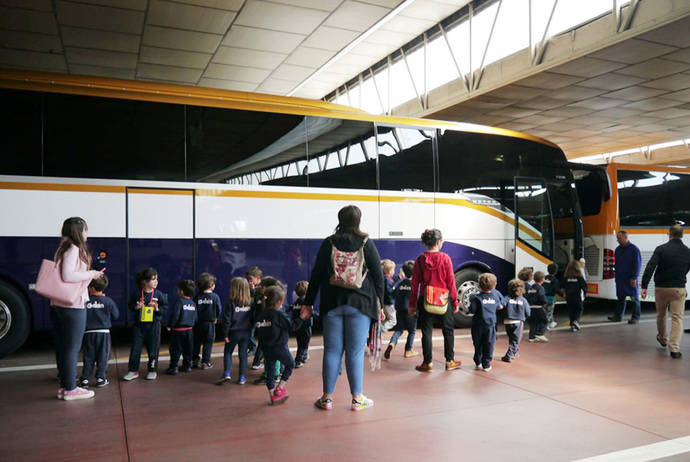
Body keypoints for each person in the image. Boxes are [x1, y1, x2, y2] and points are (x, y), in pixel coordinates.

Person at [301, 205, 384, 411]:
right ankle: (357, 399)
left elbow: (317, 275)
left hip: (332, 303)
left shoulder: (329, 242)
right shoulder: (366, 242)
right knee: (355, 353)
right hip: (360, 304)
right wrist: (380, 302)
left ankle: (327, 398)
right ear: (359, 220)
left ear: (340, 219)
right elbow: (378, 275)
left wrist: (308, 303)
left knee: (332, 351)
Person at [51, 217, 105, 400]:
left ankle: (65, 386)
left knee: (63, 346)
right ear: (78, 230)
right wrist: (92, 273)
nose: (86, 233)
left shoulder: (62, 246)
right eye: (85, 229)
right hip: (72, 304)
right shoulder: (73, 248)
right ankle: (72, 389)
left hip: (59, 303)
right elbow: (68, 275)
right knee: (72, 348)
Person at [408, 229, 461, 373]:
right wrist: (455, 301)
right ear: (438, 242)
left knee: (426, 332)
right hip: (444, 300)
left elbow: (415, 285)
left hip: (426, 299)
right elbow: (451, 282)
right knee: (448, 331)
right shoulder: (445, 258)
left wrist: (412, 304)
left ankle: (427, 363)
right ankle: (449, 361)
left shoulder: (419, 260)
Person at [641, 224, 690, 359]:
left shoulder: (661, 249)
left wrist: (644, 285)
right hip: (678, 288)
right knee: (677, 318)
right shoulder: (687, 251)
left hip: (661, 288)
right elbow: (687, 268)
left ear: (669, 234)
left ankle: (663, 339)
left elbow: (651, 266)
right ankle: (674, 349)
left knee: (661, 315)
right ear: (682, 235)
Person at [256, 285, 302, 405]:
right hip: (280, 347)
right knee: (290, 364)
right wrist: (302, 318)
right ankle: (280, 388)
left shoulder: (261, 315)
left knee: (270, 372)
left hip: (266, 348)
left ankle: (272, 396)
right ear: (279, 302)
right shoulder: (278, 314)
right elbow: (292, 326)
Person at [124, 267, 168, 381]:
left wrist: (157, 308)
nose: (156, 282)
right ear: (144, 281)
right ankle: (133, 370)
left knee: (153, 348)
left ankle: (152, 370)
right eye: (153, 279)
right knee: (135, 347)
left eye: (157, 279)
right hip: (139, 325)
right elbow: (130, 305)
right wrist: (136, 307)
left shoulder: (159, 294)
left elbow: (165, 308)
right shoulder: (137, 293)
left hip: (154, 325)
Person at [79, 276, 119, 388]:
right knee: (103, 356)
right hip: (104, 333)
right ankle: (101, 378)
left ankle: (85, 379)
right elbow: (116, 315)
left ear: (91, 288)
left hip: (88, 334)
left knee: (88, 356)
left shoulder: (86, 302)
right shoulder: (108, 301)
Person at [218, 277, 253, 385]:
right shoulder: (250, 303)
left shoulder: (231, 303)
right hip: (246, 333)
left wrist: (225, 333)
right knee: (243, 354)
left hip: (233, 333)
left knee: (228, 351)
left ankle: (227, 373)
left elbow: (226, 320)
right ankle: (242, 377)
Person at [469, 273, 503, 371]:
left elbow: (472, 310)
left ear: (479, 285)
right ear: (494, 285)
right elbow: (500, 306)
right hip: (490, 325)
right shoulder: (495, 295)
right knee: (489, 344)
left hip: (477, 325)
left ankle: (478, 361)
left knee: (477, 343)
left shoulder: (477, 298)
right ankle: (486, 363)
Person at [384, 260, 417, 360]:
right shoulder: (414, 285)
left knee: (399, 330)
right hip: (411, 311)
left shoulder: (400, 283)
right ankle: (408, 349)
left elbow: (393, 294)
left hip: (399, 311)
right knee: (412, 331)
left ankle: (392, 343)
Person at [609, 231, 642, 324]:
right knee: (620, 298)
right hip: (620, 278)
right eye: (617, 238)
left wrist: (634, 277)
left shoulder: (634, 249)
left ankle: (635, 317)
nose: (617, 240)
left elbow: (637, 264)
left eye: (619, 238)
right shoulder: (618, 250)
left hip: (630, 278)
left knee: (634, 298)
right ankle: (618, 316)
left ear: (625, 237)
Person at [166, 280, 197, 375]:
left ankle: (174, 367)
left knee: (175, 349)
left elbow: (175, 315)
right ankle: (187, 366)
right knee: (188, 349)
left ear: (182, 291)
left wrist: (170, 325)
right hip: (189, 331)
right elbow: (196, 317)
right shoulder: (193, 303)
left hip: (178, 331)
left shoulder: (179, 302)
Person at [193, 272, 222, 370]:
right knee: (208, 343)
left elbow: (194, 309)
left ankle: (195, 360)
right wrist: (216, 317)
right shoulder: (215, 297)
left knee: (196, 342)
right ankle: (205, 362)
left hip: (198, 323)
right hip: (210, 323)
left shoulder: (197, 296)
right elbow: (219, 309)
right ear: (212, 286)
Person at [501, 279, 529, 363]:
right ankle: (509, 355)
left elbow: (501, 305)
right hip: (518, 322)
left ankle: (515, 352)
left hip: (507, 321)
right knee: (516, 340)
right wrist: (525, 317)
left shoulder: (506, 298)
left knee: (511, 338)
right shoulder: (523, 300)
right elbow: (528, 312)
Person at [247, 266, 264, 369]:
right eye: (248, 279)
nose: (249, 281)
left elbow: (258, 300)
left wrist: (253, 291)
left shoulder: (261, 288)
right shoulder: (250, 288)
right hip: (253, 316)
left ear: (258, 278)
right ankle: (254, 351)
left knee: (263, 340)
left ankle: (257, 360)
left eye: (251, 279)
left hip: (259, 317)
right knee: (250, 333)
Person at [291, 281, 312, 368]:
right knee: (304, 344)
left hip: (298, 326)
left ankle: (303, 356)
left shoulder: (296, 302)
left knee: (300, 343)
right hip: (306, 327)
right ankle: (298, 360)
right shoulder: (307, 302)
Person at [563, 261, 587, 332]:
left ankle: (572, 324)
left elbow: (562, 285)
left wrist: (563, 293)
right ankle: (576, 321)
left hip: (568, 296)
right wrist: (585, 293)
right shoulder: (579, 277)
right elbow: (584, 286)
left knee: (571, 310)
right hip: (576, 296)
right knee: (579, 309)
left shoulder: (566, 277)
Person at [526, 271, 549, 343]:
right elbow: (542, 296)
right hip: (538, 307)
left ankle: (531, 337)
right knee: (544, 320)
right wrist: (545, 302)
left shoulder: (531, 287)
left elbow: (528, 296)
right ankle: (540, 333)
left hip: (531, 308)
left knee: (533, 323)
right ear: (542, 279)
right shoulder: (540, 288)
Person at [381, 259, 399, 331]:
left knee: (385, 319)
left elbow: (392, 281)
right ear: (390, 271)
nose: (394, 271)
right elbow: (389, 291)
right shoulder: (387, 280)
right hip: (388, 303)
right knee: (393, 321)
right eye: (393, 270)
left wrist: (398, 277)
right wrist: (396, 290)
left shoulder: (385, 278)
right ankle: (381, 329)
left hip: (384, 302)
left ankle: (380, 329)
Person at [543, 263, 560, 330]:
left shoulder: (545, 278)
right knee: (549, 311)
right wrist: (561, 294)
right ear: (556, 271)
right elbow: (556, 289)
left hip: (544, 297)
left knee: (545, 311)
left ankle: (551, 322)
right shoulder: (555, 280)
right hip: (551, 298)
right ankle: (547, 324)